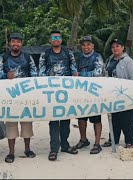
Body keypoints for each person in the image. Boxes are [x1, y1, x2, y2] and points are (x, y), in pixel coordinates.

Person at [0, 33, 38, 163]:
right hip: (9, 96)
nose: (16, 44)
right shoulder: (3, 57)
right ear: (9, 43)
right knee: (11, 125)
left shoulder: (27, 57)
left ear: (22, 44)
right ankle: (11, 152)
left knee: (27, 124)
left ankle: (27, 149)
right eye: (13, 41)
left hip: (26, 96)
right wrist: (4, 75)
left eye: (18, 42)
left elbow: (34, 73)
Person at [38, 30, 79, 161]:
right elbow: (41, 71)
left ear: (61, 40)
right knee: (54, 121)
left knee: (66, 119)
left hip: (66, 92)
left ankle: (65, 145)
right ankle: (54, 148)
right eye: (53, 38)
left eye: (58, 37)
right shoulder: (45, 53)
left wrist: (75, 74)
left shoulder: (68, 53)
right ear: (50, 40)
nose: (56, 40)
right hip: (51, 92)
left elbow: (73, 68)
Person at [101, 38, 133, 148]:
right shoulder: (108, 60)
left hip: (127, 96)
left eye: (117, 46)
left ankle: (130, 141)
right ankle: (113, 139)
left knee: (128, 119)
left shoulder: (129, 61)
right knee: (114, 119)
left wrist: (128, 93)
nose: (115, 48)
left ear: (123, 47)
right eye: (113, 47)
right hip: (112, 96)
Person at [73, 36, 104, 154]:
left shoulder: (97, 57)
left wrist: (80, 74)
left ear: (93, 46)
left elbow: (98, 73)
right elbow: (73, 71)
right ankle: (83, 139)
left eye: (88, 44)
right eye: (84, 45)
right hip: (81, 93)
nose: (86, 47)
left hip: (94, 93)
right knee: (81, 117)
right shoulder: (78, 57)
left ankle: (97, 143)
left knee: (96, 118)